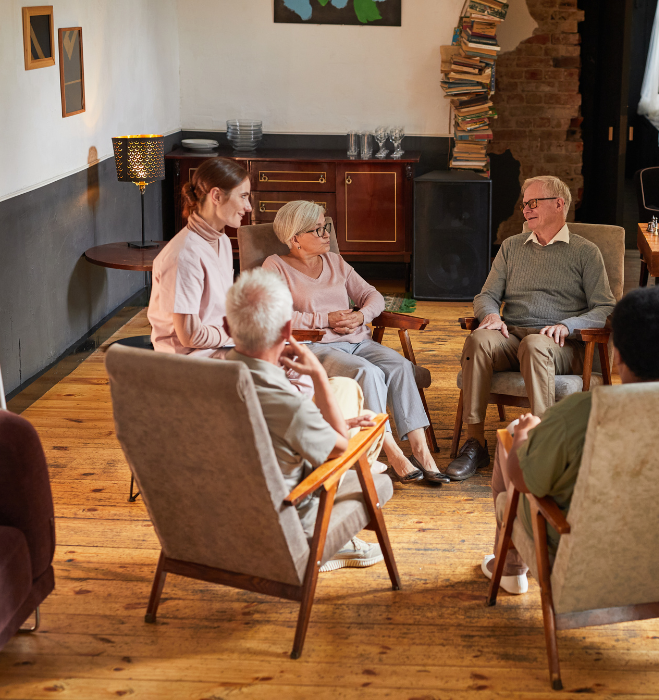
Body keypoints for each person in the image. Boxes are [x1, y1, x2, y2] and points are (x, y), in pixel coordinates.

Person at [482, 287, 659, 594]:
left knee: (512, 435)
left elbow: (523, 480)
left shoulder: (581, 412)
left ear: (616, 352)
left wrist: (523, 436)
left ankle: (511, 566)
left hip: (579, 563)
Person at [261, 200, 449, 485]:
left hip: (357, 341)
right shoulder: (275, 266)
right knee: (368, 372)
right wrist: (325, 319)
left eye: (325, 227)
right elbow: (277, 316)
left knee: (400, 366)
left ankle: (422, 453)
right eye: (317, 229)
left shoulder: (335, 262)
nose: (326, 234)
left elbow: (373, 296)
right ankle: (391, 451)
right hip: (315, 347)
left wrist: (360, 316)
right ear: (295, 238)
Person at [448, 175, 615, 481]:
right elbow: (486, 295)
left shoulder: (585, 252)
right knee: (478, 340)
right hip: (512, 338)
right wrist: (490, 315)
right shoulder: (512, 247)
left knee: (536, 344)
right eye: (524, 203)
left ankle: (544, 444)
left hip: (561, 346)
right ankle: (475, 443)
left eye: (533, 202)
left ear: (559, 204)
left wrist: (568, 325)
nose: (525, 209)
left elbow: (606, 307)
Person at [224, 268, 386, 572]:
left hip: (224, 512)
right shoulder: (288, 404)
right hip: (292, 522)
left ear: (226, 325)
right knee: (371, 437)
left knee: (348, 393)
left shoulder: (204, 377)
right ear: (288, 331)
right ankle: (333, 544)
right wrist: (319, 377)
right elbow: (339, 450)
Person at [148, 157, 251, 357]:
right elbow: (191, 336)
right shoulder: (184, 255)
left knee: (293, 365)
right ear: (217, 196)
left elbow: (218, 311)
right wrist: (239, 335)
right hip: (189, 359)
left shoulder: (223, 241)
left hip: (219, 347)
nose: (248, 207)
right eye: (243, 196)